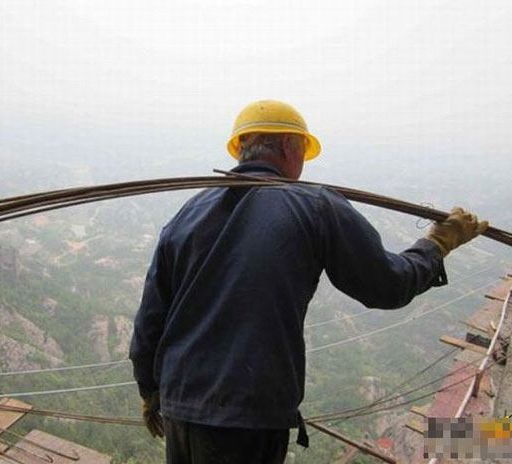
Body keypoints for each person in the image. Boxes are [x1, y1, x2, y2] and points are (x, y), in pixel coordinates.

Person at [129, 99, 488, 464]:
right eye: (303, 150)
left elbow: (150, 320)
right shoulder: (314, 205)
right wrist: (437, 244)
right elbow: (388, 284)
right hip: (248, 416)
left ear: (240, 149)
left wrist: (149, 391)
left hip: (180, 406)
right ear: (289, 145)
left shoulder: (188, 213)